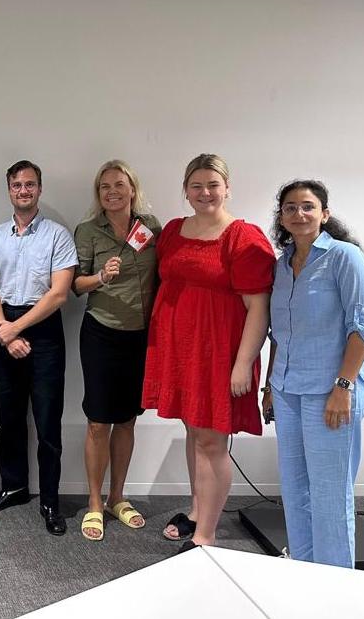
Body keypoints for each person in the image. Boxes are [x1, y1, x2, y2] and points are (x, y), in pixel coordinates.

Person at [141, 154, 275, 551]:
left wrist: (243, 364)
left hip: (219, 355)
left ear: (227, 188)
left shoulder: (243, 237)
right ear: (186, 190)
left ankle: (206, 537)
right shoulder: (173, 231)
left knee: (211, 443)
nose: (205, 193)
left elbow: (258, 309)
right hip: (180, 352)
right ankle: (198, 511)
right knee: (194, 431)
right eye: (196, 185)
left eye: (213, 185)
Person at [262, 179, 364, 568]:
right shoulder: (281, 265)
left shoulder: (345, 257)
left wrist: (343, 386)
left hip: (330, 391)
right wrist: (269, 386)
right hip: (286, 389)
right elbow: (279, 333)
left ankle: (336, 585)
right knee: (295, 492)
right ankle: (304, 572)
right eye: (290, 207)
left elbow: (363, 328)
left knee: (330, 495)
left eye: (308, 206)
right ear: (282, 217)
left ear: (324, 214)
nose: (299, 213)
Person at [0, 161, 77, 536]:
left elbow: (59, 294)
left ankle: (50, 500)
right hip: (4, 323)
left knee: (48, 421)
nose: (23, 190)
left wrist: (14, 330)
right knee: (9, 416)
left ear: (40, 188)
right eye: (17, 185)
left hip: (44, 330)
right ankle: (14, 486)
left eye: (30, 184)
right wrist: (3, 330)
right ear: (9, 189)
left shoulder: (57, 235)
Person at [73, 160, 160, 541]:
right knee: (98, 422)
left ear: (132, 189)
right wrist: (100, 277)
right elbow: (75, 284)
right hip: (102, 333)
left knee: (127, 420)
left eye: (119, 185)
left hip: (141, 337)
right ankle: (94, 502)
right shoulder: (88, 230)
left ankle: (117, 497)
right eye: (105, 186)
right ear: (99, 193)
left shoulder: (152, 228)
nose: (112, 192)